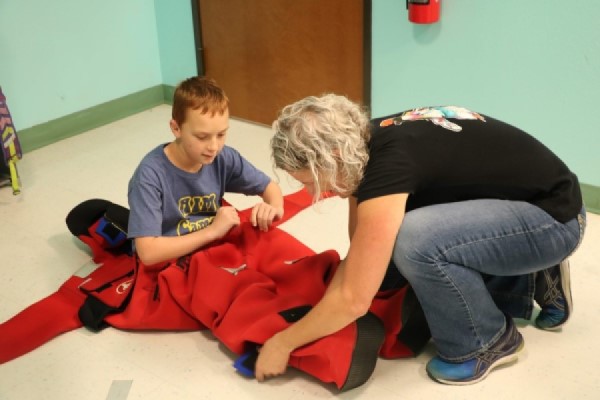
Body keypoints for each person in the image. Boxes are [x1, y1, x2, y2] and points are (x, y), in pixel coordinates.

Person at [257, 95, 586, 385]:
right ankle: (528, 276)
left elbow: (355, 298)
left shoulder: (388, 167)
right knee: (388, 263)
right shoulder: (362, 141)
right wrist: (329, 302)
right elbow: (360, 248)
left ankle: (486, 341)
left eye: (313, 180)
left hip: (554, 221)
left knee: (415, 240)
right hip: (530, 202)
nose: (317, 193)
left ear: (331, 155)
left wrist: (284, 342)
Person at [127, 76, 284, 267]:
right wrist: (212, 232)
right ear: (176, 128)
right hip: (172, 261)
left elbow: (270, 187)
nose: (214, 146)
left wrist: (273, 207)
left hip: (213, 247)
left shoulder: (223, 157)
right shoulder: (150, 176)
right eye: (202, 137)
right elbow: (148, 253)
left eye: (221, 134)